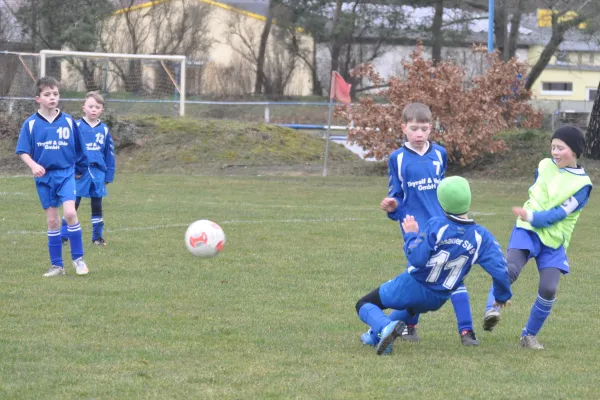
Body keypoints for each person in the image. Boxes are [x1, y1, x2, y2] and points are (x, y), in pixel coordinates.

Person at [356, 176, 512, 355]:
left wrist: (411, 235)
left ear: (442, 203)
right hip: (438, 297)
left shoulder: (437, 225)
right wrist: (501, 297)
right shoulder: (481, 236)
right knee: (410, 308)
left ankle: (384, 327)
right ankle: (375, 336)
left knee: (364, 303)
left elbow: (417, 259)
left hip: (414, 284)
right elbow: (500, 271)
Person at [374, 102, 478, 346]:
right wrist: (393, 207)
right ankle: (410, 327)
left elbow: (445, 190)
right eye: (414, 128)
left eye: (423, 128)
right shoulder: (397, 158)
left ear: (431, 128)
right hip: (415, 228)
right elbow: (397, 195)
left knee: (454, 273)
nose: (419, 134)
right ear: (403, 129)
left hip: (443, 224)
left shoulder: (440, 153)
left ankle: (466, 331)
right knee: (421, 276)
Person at [482, 125, 592, 350]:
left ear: (575, 151)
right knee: (510, 269)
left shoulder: (583, 185)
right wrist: (528, 217)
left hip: (553, 238)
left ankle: (528, 336)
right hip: (527, 229)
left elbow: (557, 215)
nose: (555, 152)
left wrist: (531, 215)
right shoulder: (543, 165)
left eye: (561, 148)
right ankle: (491, 309)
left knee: (549, 289)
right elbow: (536, 190)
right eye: (553, 147)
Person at [15, 76, 90, 277]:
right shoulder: (30, 124)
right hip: (44, 177)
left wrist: (81, 169)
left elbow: (80, 149)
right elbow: (22, 150)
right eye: (47, 94)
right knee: (52, 221)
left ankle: (78, 259)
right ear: (38, 98)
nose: (52, 98)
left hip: (66, 173)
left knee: (70, 214)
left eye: (55, 94)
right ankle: (57, 266)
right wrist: (33, 165)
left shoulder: (68, 121)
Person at [61, 91, 116, 246]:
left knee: (97, 205)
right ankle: (64, 236)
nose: (93, 109)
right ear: (83, 107)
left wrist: (108, 176)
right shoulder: (76, 126)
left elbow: (109, 154)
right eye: (91, 106)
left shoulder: (104, 130)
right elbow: (69, 150)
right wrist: (72, 170)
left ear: (102, 110)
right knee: (73, 205)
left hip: (98, 173)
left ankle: (97, 237)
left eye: (97, 107)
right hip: (79, 173)